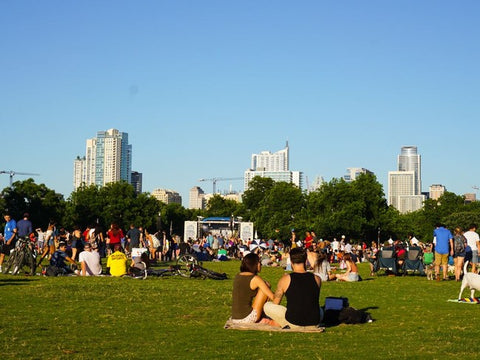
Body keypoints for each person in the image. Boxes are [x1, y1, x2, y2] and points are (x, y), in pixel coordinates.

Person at [263, 247, 322, 329]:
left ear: (291, 261)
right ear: (305, 261)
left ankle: (280, 322)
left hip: (294, 321)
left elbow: (276, 302)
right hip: (314, 321)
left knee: (267, 306)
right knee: (320, 310)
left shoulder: (285, 279)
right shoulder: (317, 279)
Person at [231, 253, 275, 323]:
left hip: (235, 317)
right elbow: (273, 297)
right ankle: (262, 316)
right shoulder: (255, 279)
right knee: (265, 288)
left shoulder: (238, 276)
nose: (260, 265)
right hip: (245, 318)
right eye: (259, 263)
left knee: (266, 285)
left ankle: (262, 316)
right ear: (256, 264)